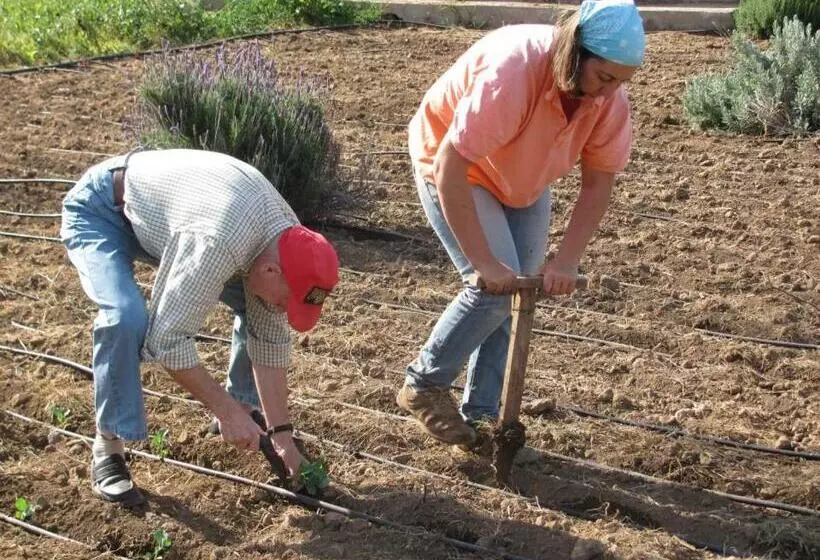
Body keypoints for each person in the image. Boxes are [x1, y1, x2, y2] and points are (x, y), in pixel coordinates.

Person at [397, 0, 645, 447]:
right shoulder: (514, 73)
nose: (610, 93)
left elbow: (597, 184)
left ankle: (483, 416)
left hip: (521, 178)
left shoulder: (609, 101)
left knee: (518, 294)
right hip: (454, 166)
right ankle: (424, 384)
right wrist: (483, 262)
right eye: (604, 77)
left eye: (621, 82)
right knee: (495, 291)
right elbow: (452, 163)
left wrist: (567, 259)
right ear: (576, 52)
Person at [60, 148, 339, 505]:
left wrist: (283, 439)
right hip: (103, 209)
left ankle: (244, 404)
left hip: (173, 219)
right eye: (289, 301)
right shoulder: (218, 240)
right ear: (272, 270)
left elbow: (270, 338)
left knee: (260, 305)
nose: (285, 310)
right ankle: (108, 446)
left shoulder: (284, 242)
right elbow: (168, 339)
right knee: (125, 316)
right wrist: (223, 410)